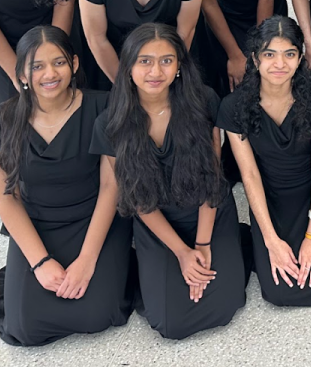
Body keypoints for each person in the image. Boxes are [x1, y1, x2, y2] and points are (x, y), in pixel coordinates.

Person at [0, 27, 134, 346]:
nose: (49, 74)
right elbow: (7, 200)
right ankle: (16, 272)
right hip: (39, 223)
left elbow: (110, 187)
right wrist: (40, 262)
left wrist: (88, 259)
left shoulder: (105, 107)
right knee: (25, 328)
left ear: (75, 64)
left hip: (94, 220)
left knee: (99, 316)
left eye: (59, 63)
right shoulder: (0, 121)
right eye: (37, 66)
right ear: (21, 72)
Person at [90, 24, 249, 339]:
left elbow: (213, 179)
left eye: (166, 60)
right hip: (158, 220)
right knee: (169, 322)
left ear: (179, 66)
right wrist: (181, 252)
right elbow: (135, 197)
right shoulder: (110, 122)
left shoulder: (203, 100)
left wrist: (202, 245)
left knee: (225, 306)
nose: (155, 70)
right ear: (129, 67)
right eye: (144, 60)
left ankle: (234, 241)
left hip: (208, 210)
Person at [219, 17, 311, 306]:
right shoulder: (233, 107)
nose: (279, 64)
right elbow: (249, 175)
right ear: (255, 58)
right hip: (269, 196)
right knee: (279, 291)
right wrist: (271, 241)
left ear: (300, 58)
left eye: (289, 54)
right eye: (269, 54)